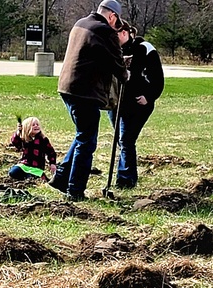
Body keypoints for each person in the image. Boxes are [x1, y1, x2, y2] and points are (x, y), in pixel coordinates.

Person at [50, 0, 129, 202]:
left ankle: (60, 178)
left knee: (82, 134)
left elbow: (94, 55)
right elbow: (116, 63)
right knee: (87, 141)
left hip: (67, 87)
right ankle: (75, 191)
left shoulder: (81, 23)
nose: (116, 26)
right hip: (85, 92)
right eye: (116, 21)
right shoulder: (105, 31)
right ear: (112, 16)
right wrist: (125, 72)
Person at [108, 20, 165, 189]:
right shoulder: (113, 50)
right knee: (121, 140)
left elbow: (158, 78)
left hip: (137, 105)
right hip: (116, 104)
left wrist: (149, 96)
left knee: (126, 139)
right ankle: (124, 174)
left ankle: (126, 179)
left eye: (114, 35)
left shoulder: (144, 49)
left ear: (124, 33)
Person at [8, 116, 57, 181]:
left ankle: (32, 177)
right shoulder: (24, 139)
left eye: (37, 124)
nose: (36, 126)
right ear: (27, 128)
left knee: (35, 177)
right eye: (33, 125)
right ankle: (27, 177)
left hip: (37, 168)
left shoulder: (43, 140)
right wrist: (18, 132)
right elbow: (15, 142)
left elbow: (51, 152)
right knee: (13, 172)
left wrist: (52, 163)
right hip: (24, 165)